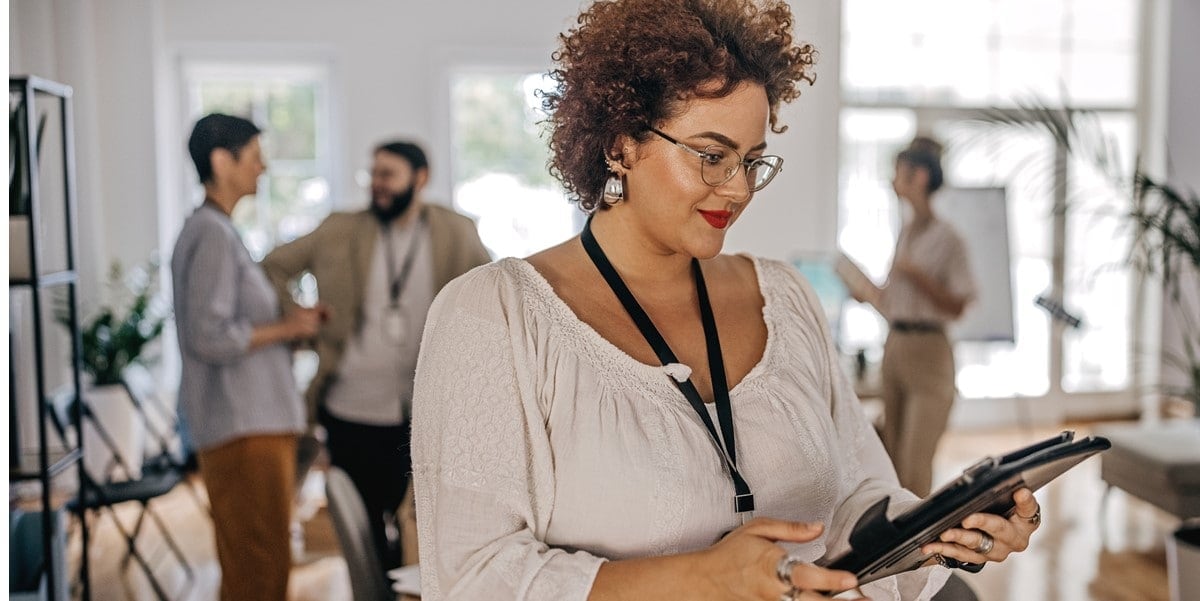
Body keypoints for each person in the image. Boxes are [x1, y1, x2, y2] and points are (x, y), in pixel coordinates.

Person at [410, 1, 1037, 600]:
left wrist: (933, 530)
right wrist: (705, 583)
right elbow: (474, 578)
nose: (736, 190)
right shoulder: (493, 316)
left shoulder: (783, 299)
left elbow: (856, 495)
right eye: (711, 156)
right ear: (620, 144)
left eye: (753, 161)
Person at [261, 140, 491, 569]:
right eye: (374, 174)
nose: (378, 184)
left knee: (423, 527)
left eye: (389, 174)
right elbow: (272, 265)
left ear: (420, 179)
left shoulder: (456, 231)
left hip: (427, 410)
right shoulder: (339, 229)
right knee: (362, 532)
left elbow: (493, 291)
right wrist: (297, 317)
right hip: (351, 409)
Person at [171, 113, 323, 601]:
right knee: (257, 566)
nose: (264, 168)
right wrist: (289, 327)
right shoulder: (211, 234)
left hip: (253, 424)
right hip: (242, 427)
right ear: (222, 160)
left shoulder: (219, 230)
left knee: (262, 562)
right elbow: (208, 335)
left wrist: (288, 330)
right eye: (255, 157)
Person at [852, 137, 978, 498]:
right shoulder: (907, 232)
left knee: (913, 467)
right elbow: (895, 301)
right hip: (896, 345)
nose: (893, 182)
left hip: (929, 352)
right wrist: (866, 293)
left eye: (898, 174)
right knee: (889, 459)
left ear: (919, 177)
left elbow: (958, 306)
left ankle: (915, 551)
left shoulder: (949, 238)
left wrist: (917, 276)